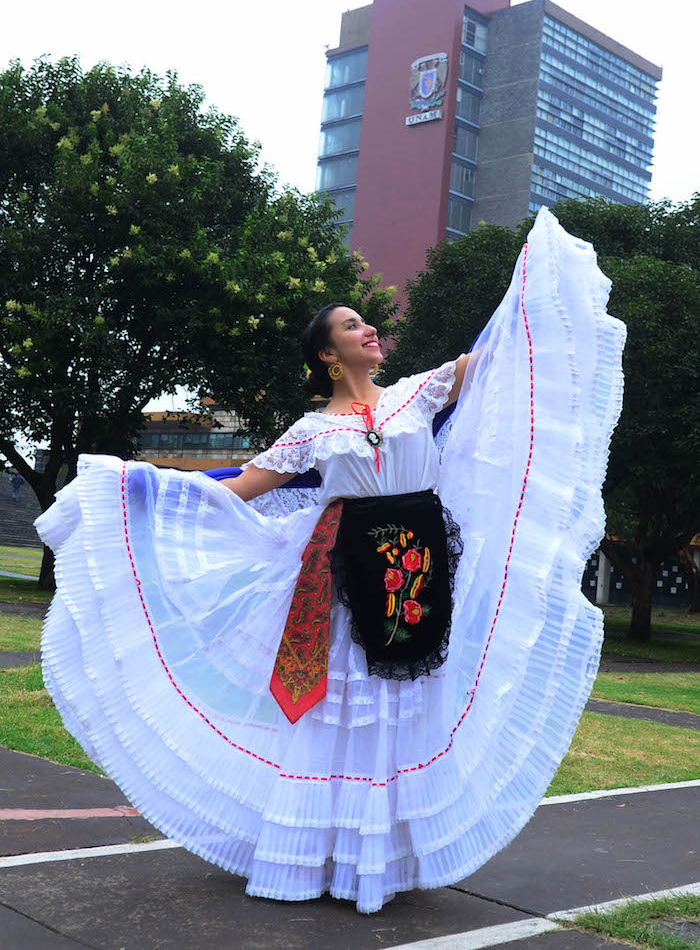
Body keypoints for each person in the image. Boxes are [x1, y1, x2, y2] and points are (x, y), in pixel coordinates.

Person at [35, 207, 626, 914]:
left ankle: (377, 856)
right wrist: (148, 484)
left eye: (367, 324)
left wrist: (532, 279)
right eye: (352, 325)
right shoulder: (310, 431)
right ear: (327, 354)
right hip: (344, 577)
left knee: (402, 709)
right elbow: (243, 488)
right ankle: (320, 854)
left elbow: (497, 351)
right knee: (350, 710)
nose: (370, 329)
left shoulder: (418, 392)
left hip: (418, 564)